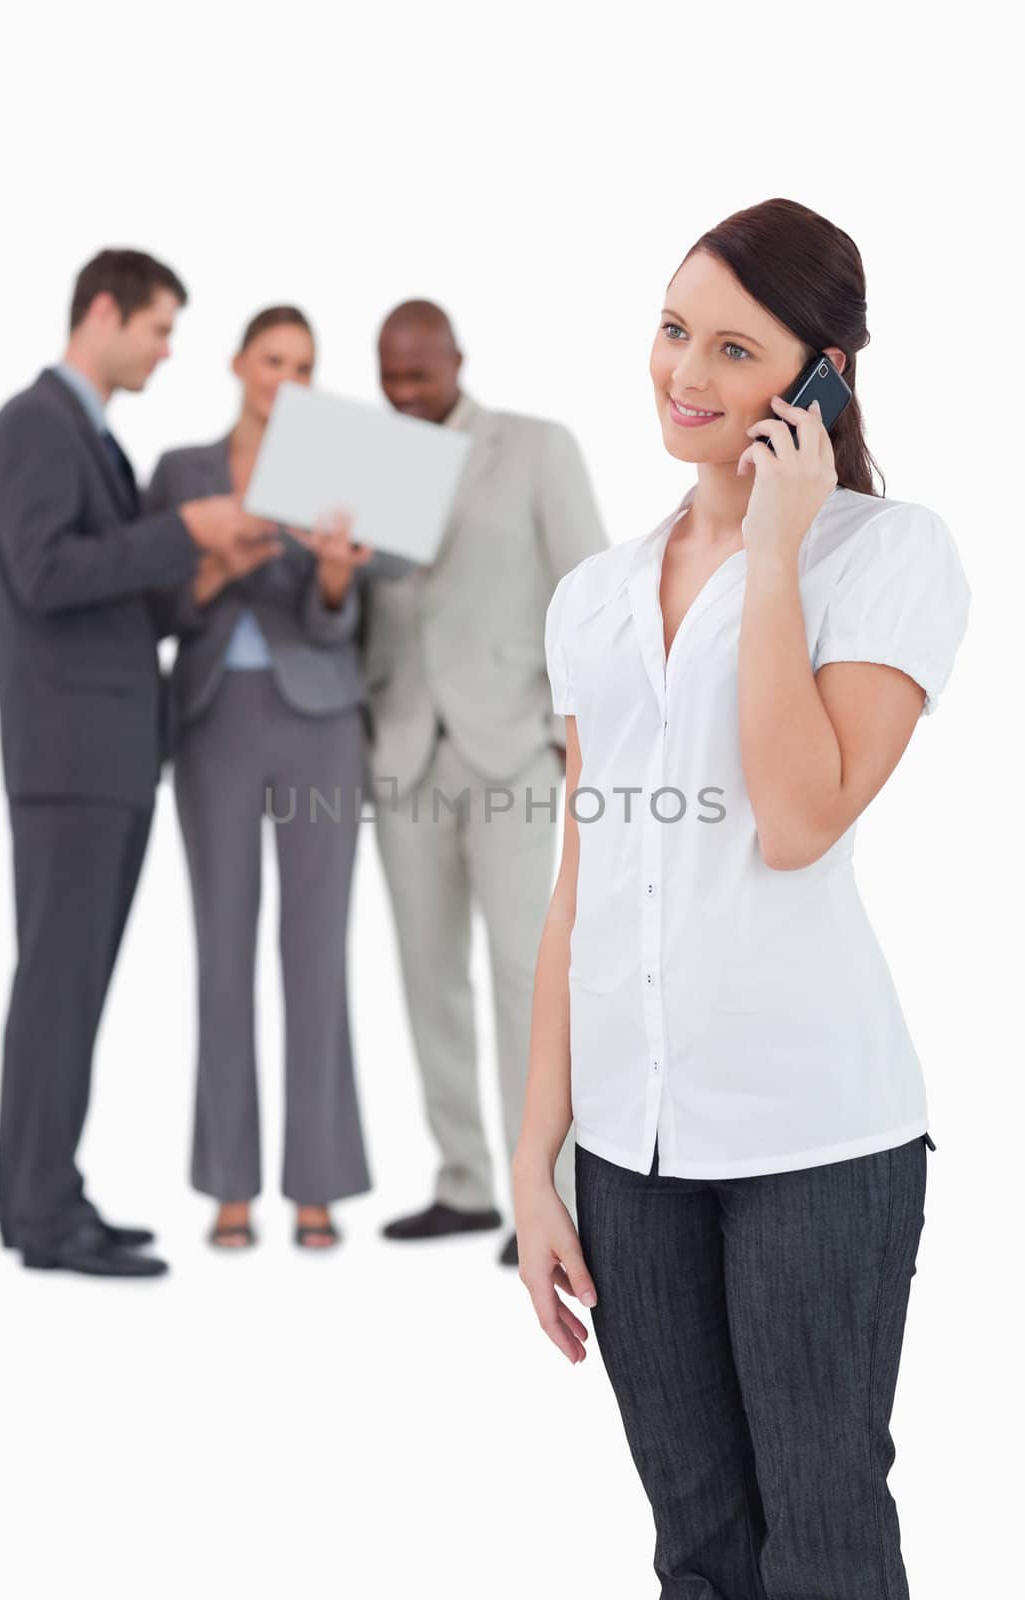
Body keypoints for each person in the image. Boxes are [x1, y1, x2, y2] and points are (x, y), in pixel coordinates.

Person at [513, 197, 971, 1598]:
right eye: (668, 332)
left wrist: (773, 546)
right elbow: (576, 883)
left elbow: (796, 818)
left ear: (819, 376)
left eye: (729, 348)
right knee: (696, 1541)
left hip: (812, 1142)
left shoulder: (885, 560)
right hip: (629, 1151)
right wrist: (533, 1162)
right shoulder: (590, 597)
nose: (682, 376)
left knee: (820, 1525)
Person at [0, 248, 278, 1278]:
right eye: (156, 329)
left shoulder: (91, 439)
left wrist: (205, 567)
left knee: (71, 987)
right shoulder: (34, 425)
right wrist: (179, 528)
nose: (164, 350)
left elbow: (118, 602)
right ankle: (44, 1211)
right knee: (58, 987)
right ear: (102, 311)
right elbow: (45, 570)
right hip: (70, 754)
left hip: (105, 750)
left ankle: (40, 1198)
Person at [146, 305, 409, 1251]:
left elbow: (337, 623)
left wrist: (334, 575)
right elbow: (158, 604)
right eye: (271, 360)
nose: (284, 379)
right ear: (238, 363)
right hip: (215, 715)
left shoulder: (336, 467)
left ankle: (317, 1182)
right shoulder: (182, 470)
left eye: (302, 365)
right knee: (221, 948)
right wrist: (213, 568)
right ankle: (227, 1183)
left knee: (316, 951)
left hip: (320, 723)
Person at [366, 300, 607, 1266]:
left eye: (418, 374)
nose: (402, 391)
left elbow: (589, 591)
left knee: (524, 973)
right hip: (399, 748)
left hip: (510, 745)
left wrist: (565, 737)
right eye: (388, 375)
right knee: (427, 976)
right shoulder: (365, 457)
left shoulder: (534, 447)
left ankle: (542, 1194)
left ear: (455, 361)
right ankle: (463, 1182)